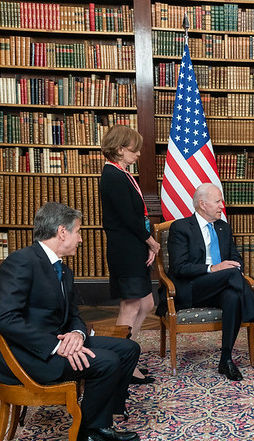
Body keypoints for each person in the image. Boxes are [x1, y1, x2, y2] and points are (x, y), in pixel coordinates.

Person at [0, 202, 141, 441]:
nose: (80, 239)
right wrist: (56, 347)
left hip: (55, 343)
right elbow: (5, 319)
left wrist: (77, 336)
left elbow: (75, 316)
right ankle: (84, 438)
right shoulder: (21, 261)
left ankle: (101, 426)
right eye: (78, 232)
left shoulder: (63, 269)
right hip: (26, 356)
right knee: (107, 361)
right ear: (62, 232)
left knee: (127, 349)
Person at [163, 183, 254, 381]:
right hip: (192, 289)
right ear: (202, 204)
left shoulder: (223, 227)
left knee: (234, 294)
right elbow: (179, 268)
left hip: (223, 286)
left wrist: (231, 269)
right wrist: (212, 268)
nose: (221, 206)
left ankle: (225, 360)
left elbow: (236, 258)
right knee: (233, 276)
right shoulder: (181, 227)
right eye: (217, 201)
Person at [99, 125, 160, 385]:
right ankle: (121, 364)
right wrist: (152, 242)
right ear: (121, 149)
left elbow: (137, 216)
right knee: (130, 306)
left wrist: (145, 244)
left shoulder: (122, 173)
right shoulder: (112, 175)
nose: (137, 154)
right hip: (125, 250)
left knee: (146, 304)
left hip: (133, 247)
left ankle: (127, 358)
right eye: (134, 150)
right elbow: (128, 218)